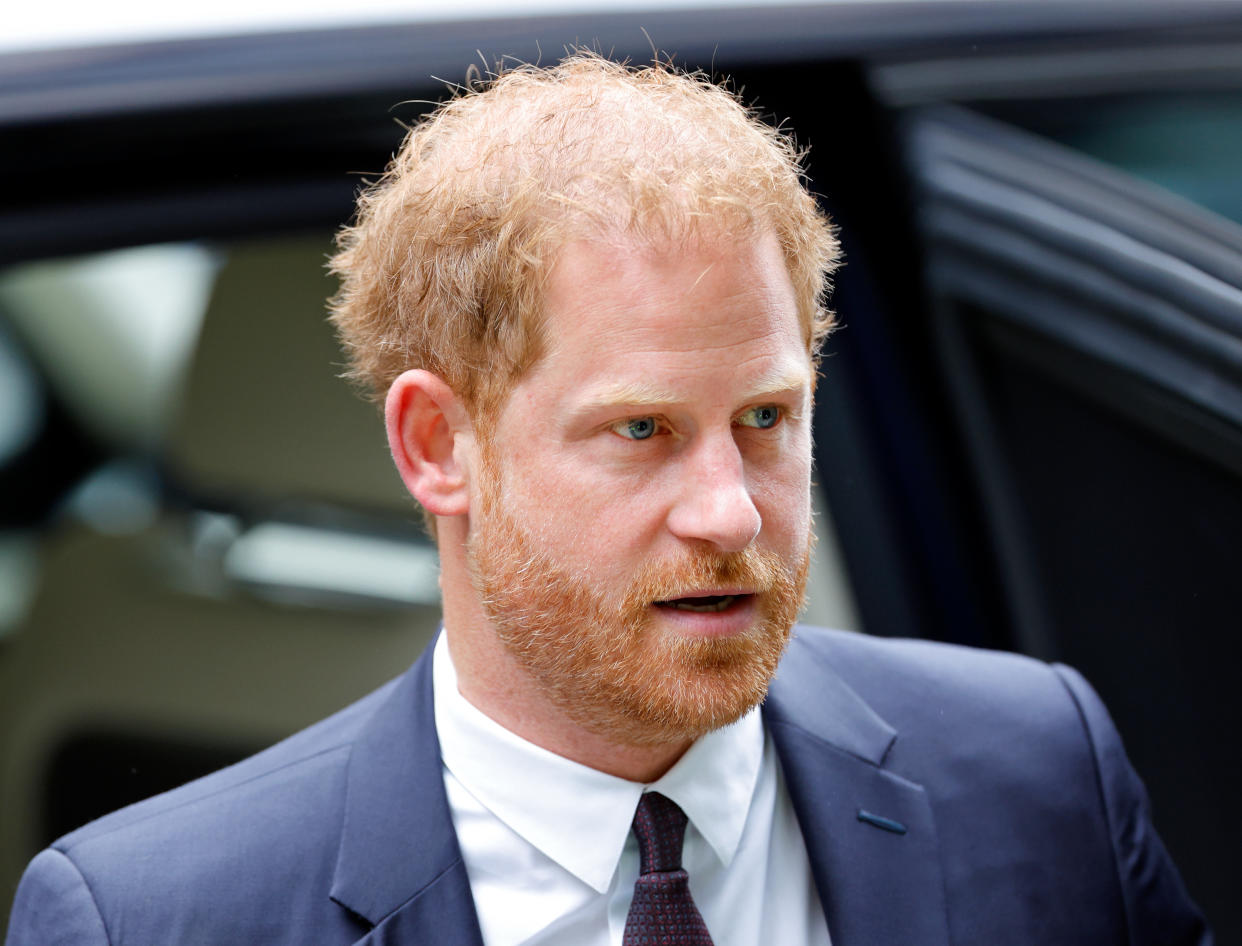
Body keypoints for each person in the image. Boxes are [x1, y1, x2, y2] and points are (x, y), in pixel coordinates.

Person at [6, 53, 1210, 946]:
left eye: (766, 419)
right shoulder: (156, 920)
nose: (732, 514)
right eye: (642, 431)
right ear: (439, 444)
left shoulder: (1038, 772)